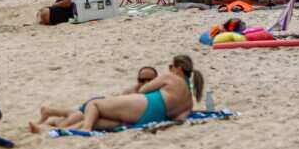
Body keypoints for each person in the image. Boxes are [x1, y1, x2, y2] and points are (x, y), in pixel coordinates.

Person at [73, 55, 204, 131]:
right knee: (100, 120)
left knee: (94, 104)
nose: (169, 70)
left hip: (147, 104)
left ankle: (86, 131)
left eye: (171, 67)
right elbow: (179, 119)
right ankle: (77, 127)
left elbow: (143, 90)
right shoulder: (189, 101)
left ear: (179, 69)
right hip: (152, 118)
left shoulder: (171, 78)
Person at [29, 67, 159, 133]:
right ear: (137, 80)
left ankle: (50, 115)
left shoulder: (157, 94)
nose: (146, 82)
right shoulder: (131, 92)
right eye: (142, 80)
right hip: (98, 105)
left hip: (100, 105)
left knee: (75, 115)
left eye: (149, 80)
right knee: (78, 115)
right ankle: (49, 127)